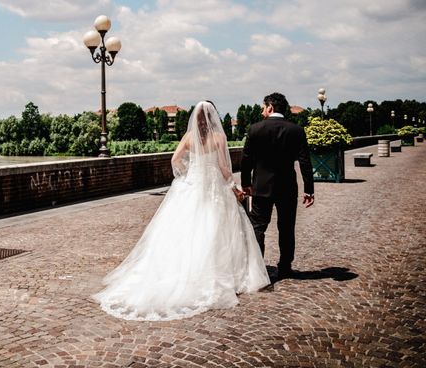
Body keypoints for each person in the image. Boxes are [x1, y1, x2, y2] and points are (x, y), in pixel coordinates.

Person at [93, 101, 270, 321]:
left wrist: (187, 174)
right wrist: (233, 187)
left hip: (192, 186)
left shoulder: (188, 138)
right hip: (213, 187)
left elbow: (174, 159)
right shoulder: (219, 138)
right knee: (213, 228)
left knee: (185, 228)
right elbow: (225, 169)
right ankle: (214, 272)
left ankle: (181, 272)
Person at [240, 92, 314, 280]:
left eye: (264, 107)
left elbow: (246, 160)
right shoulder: (296, 130)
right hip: (287, 187)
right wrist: (309, 189)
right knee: (287, 227)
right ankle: (285, 266)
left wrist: (246, 184)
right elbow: (305, 161)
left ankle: (257, 268)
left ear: (270, 107)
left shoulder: (255, 129)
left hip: (261, 187)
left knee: (258, 226)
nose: (262, 111)